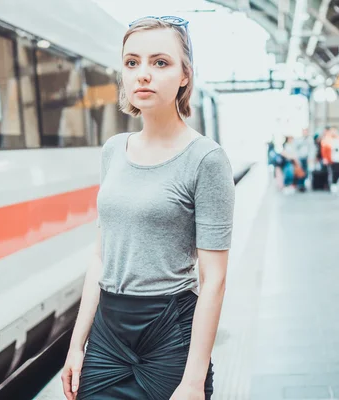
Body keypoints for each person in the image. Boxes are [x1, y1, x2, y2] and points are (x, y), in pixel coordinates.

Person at [60, 16, 235, 400]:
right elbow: (101, 257)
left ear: (185, 75)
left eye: (160, 63)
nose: (143, 74)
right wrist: (76, 346)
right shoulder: (113, 150)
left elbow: (214, 280)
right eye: (132, 62)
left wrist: (193, 380)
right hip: (108, 334)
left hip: (169, 334)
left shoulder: (207, 159)